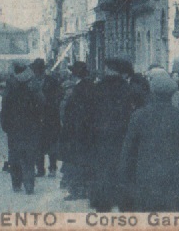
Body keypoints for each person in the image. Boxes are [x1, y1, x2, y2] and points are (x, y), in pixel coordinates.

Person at [117, 69, 179, 212]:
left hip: (146, 174)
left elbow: (128, 148)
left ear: (152, 91)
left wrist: (123, 176)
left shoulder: (139, 115)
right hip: (174, 175)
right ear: (173, 93)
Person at [89, 58, 139, 212]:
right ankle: (125, 204)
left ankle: (103, 205)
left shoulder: (96, 88)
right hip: (123, 137)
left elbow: (88, 117)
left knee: (103, 171)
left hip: (101, 138)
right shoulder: (130, 89)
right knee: (123, 170)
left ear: (109, 70)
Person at [1, 64, 44, 194]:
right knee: (29, 156)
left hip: (14, 126)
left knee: (14, 155)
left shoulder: (11, 83)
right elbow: (42, 102)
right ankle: (29, 184)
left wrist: (5, 124)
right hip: (31, 125)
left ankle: (16, 183)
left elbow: (5, 105)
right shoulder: (34, 83)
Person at [60, 61, 98, 200]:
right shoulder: (92, 87)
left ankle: (76, 191)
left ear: (75, 75)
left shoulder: (77, 90)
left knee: (76, 161)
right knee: (88, 160)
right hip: (90, 130)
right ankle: (88, 189)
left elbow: (72, 112)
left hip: (77, 131)